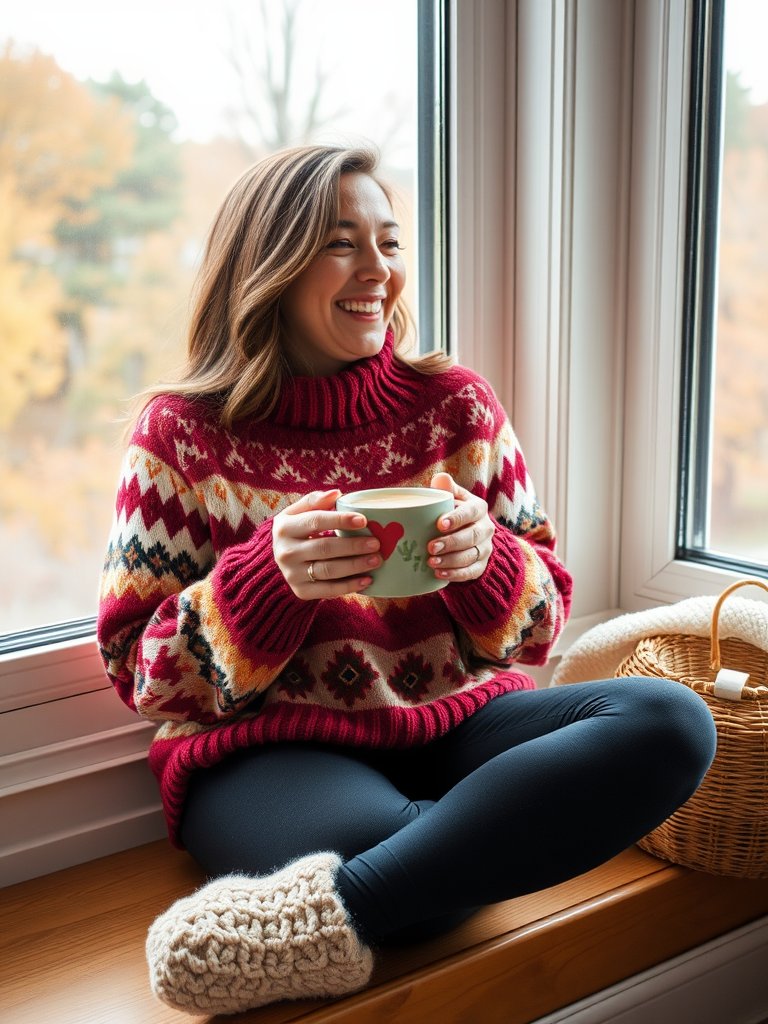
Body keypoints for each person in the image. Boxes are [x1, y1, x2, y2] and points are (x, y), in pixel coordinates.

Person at [97, 143, 716, 1016]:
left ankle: (333, 915)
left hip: (458, 724)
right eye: (343, 242)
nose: (379, 271)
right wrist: (266, 583)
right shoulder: (183, 438)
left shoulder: (456, 403)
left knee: (670, 720)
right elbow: (138, 672)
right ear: (270, 263)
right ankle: (412, 870)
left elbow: (540, 627)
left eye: (389, 243)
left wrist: (487, 561)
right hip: (272, 753)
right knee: (409, 865)